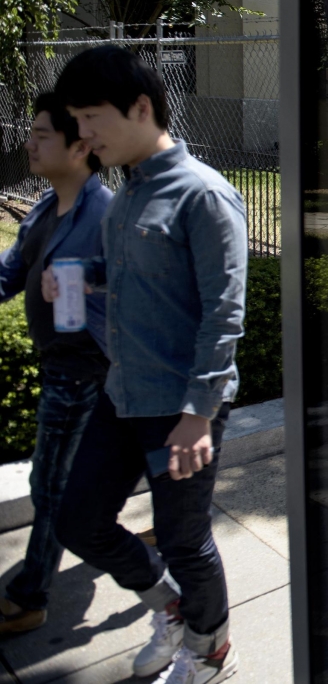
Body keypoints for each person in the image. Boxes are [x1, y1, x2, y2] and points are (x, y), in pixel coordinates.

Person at [48, 45, 248, 684]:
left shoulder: (205, 195)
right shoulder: (126, 194)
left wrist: (199, 414)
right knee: (78, 518)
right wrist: (83, 276)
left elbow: (225, 314)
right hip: (123, 392)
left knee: (185, 539)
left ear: (141, 108)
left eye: (91, 116)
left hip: (179, 406)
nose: (83, 134)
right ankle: (172, 611)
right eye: (75, 120)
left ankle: (212, 651)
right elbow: (136, 274)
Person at [0, 94, 110, 634]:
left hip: (82, 367)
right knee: (74, 478)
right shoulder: (47, 206)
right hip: (62, 366)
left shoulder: (103, 213)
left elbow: (139, 291)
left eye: (42, 133)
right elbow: (11, 270)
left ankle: (30, 594)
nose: (30, 141)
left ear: (80, 147)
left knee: (50, 484)